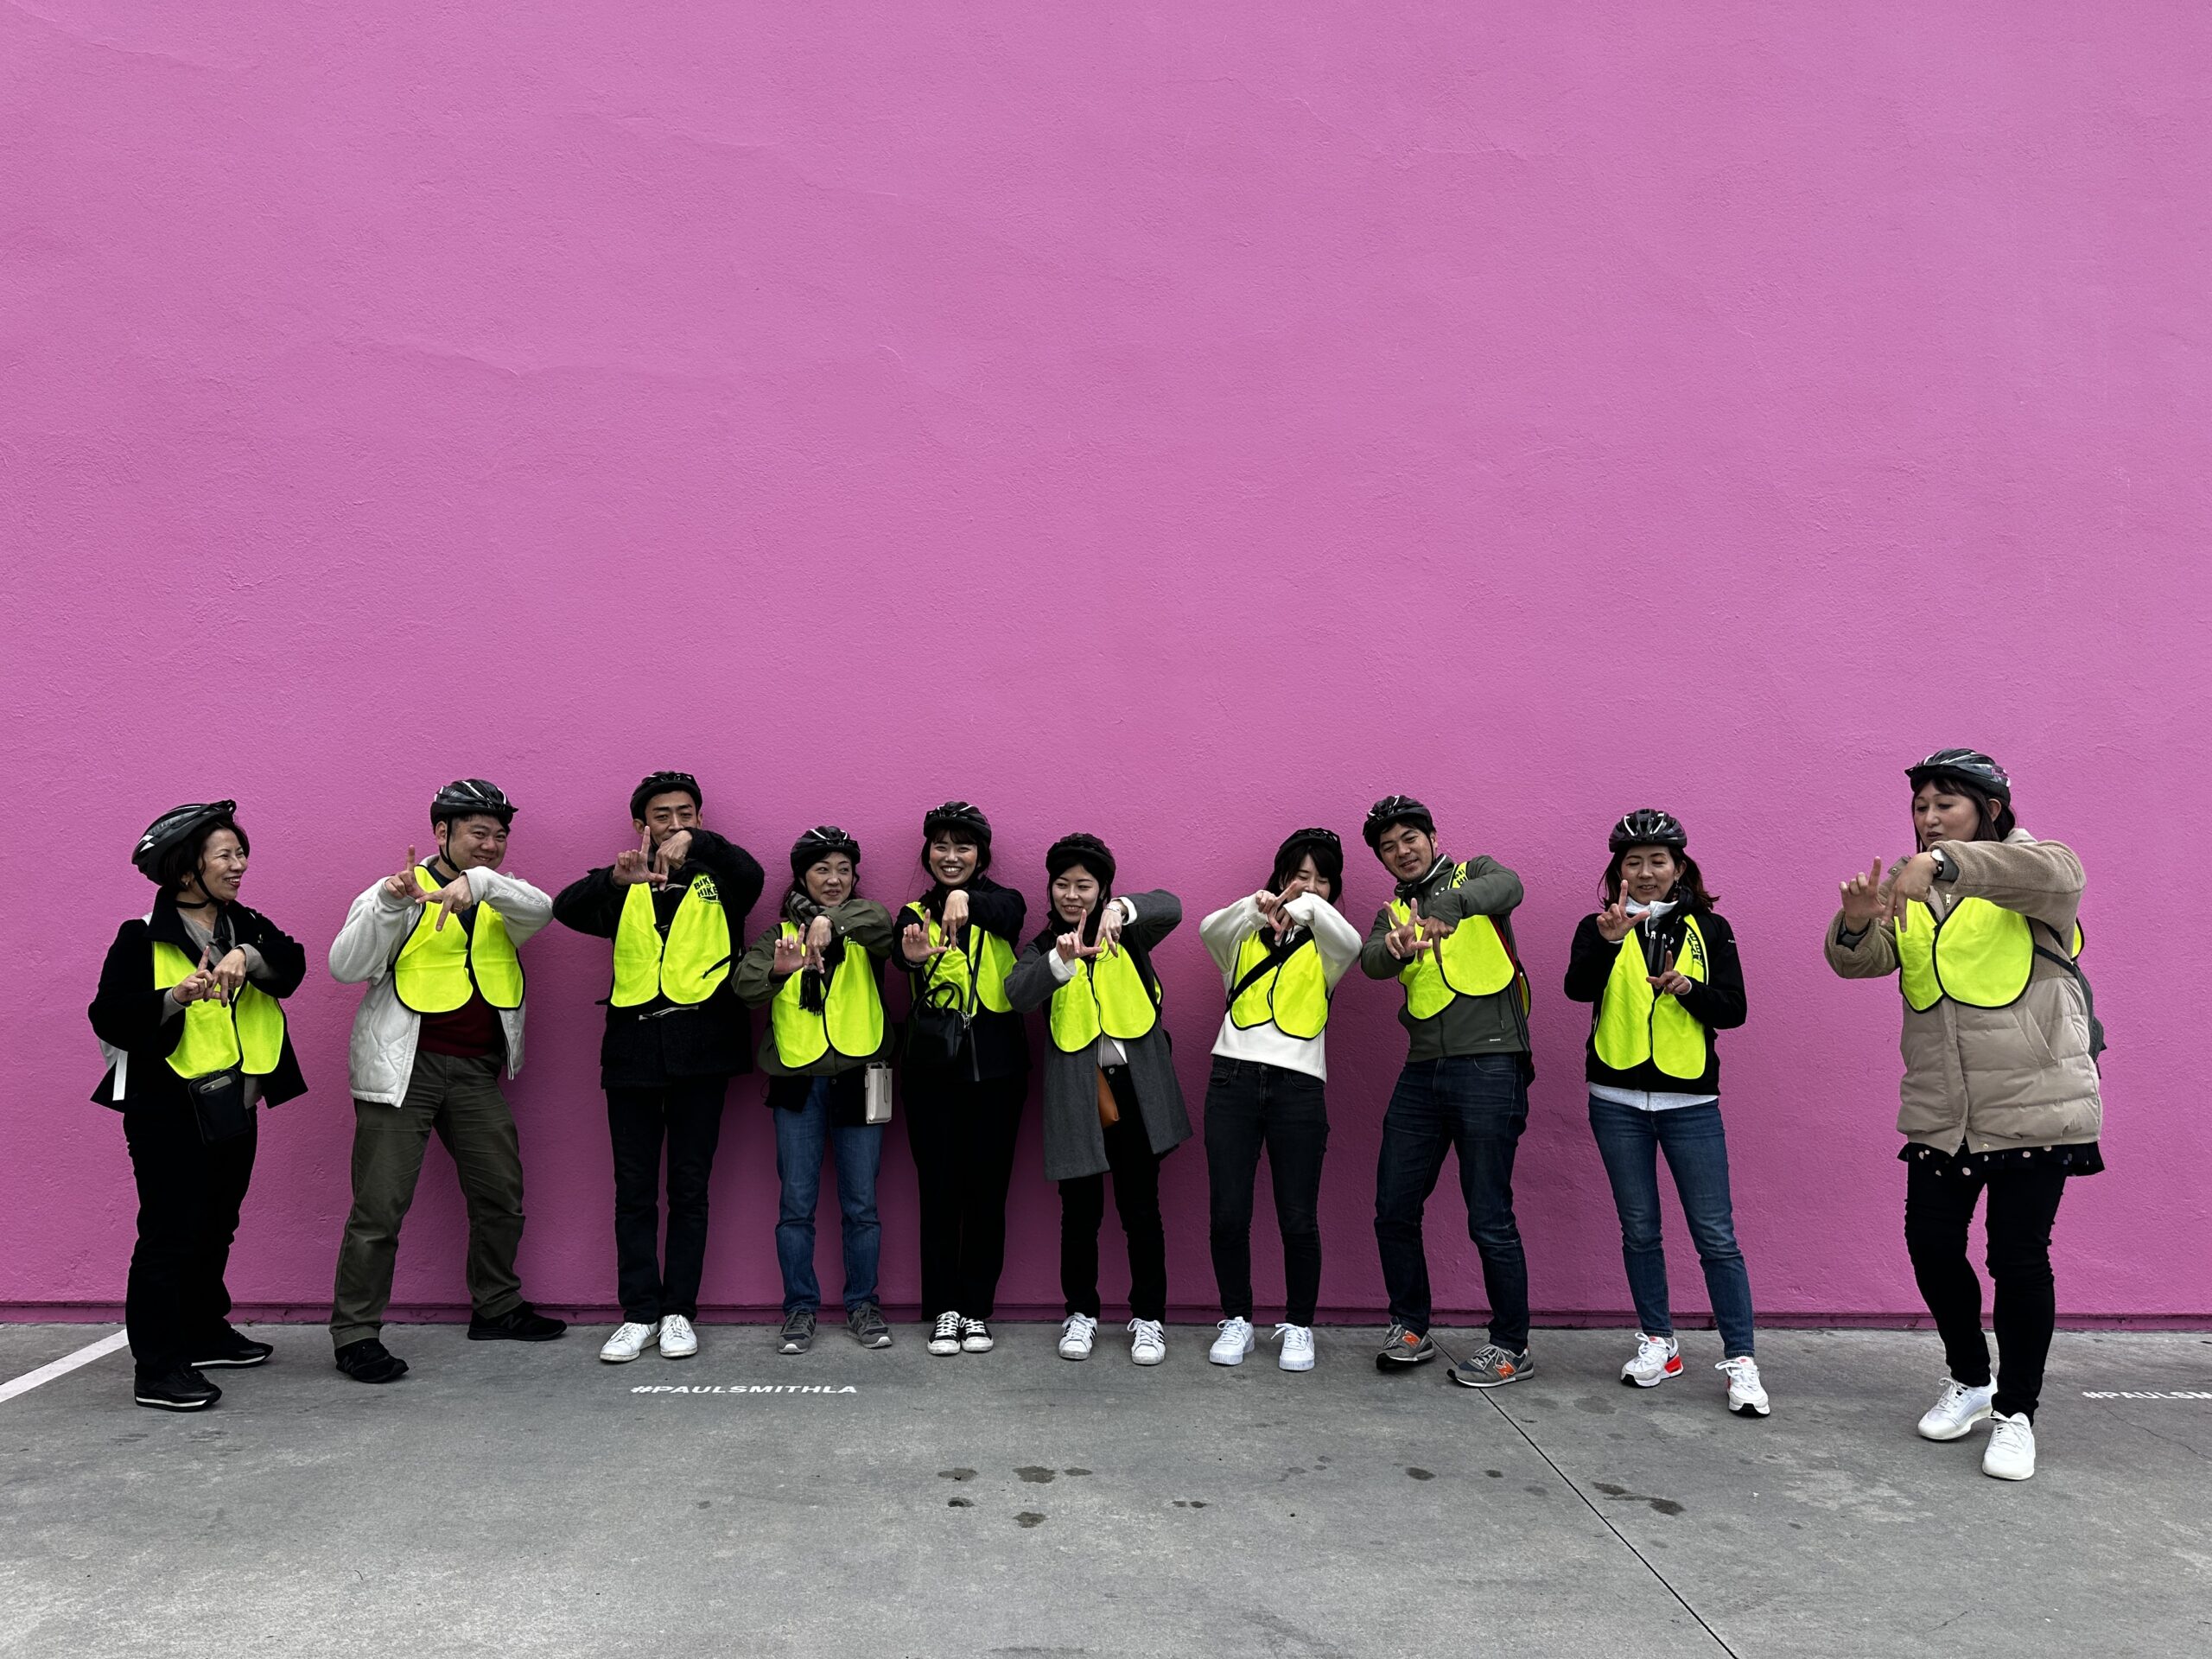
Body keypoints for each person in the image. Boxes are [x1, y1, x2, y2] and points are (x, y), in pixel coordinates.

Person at [1827, 750, 2101, 1482]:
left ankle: (2017, 1413)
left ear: (1989, 807)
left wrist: (1946, 862)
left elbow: (2057, 875)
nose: (1928, 818)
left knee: (2016, 1259)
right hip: (1943, 1109)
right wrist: (1856, 926)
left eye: (1945, 803)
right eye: (1921, 806)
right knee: (1931, 1246)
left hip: (2035, 1107)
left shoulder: (2034, 870)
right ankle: (1971, 1379)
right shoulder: (1913, 890)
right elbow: (1862, 964)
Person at [326, 779, 563, 1383]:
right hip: (405, 1070)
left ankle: (497, 1306)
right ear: (441, 834)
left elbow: (542, 909)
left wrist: (479, 882)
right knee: (379, 1209)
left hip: (476, 1072)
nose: (491, 845)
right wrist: (389, 902)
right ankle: (356, 1334)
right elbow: (345, 965)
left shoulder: (502, 895)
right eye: (477, 834)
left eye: (499, 836)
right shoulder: (394, 892)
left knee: (500, 1194)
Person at [90, 803, 308, 1411]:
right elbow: (108, 1014)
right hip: (168, 1111)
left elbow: (293, 966)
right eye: (226, 855)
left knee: (218, 1223)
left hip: (236, 1104)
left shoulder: (248, 923)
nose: (239, 865)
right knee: (169, 1234)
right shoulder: (140, 936)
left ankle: (204, 1330)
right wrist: (173, 996)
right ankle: (157, 1369)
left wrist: (249, 957)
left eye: (241, 853)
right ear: (187, 869)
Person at [553, 772, 765, 1363]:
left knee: (690, 1188)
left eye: (686, 812)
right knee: (634, 1191)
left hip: (705, 1049)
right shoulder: (623, 881)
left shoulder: (722, 875)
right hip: (633, 1052)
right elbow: (565, 908)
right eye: (662, 815)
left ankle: (678, 1313)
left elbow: (753, 874)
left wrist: (698, 845)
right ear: (640, 824)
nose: (674, 823)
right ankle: (639, 1312)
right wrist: (613, 879)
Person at [1563, 810, 1766, 1417]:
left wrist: (1689, 991)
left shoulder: (1711, 926)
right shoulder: (1597, 926)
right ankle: (1659, 1341)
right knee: (1640, 1229)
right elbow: (1577, 989)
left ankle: (1742, 1360)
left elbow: (1734, 1009)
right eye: (1634, 862)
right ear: (1617, 872)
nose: (1646, 872)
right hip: (1616, 1100)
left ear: (1680, 867)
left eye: (1658, 861)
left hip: (1690, 1103)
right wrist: (1606, 941)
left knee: (1716, 1236)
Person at [1357, 794, 1536, 1388]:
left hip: (1490, 1064)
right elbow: (1370, 962)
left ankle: (1510, 1344)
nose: (1401, 851)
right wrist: (1394, 946)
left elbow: (1508, 888)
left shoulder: (1475, 875)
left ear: (1433, 837)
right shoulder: (1392, 911)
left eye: (1410, 838)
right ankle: (1410, 1326)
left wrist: (1450, 906)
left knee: (1489, 1214)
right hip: (1422, 1070)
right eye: (1388, 847)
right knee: (1393, 1207)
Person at [1006, 834, 1191, 1366]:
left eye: (1083, 885)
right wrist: (1058, 964)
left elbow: (1172, 907)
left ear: (1102, 888)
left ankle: (1149, 1319)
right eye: (1062, 884)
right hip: (1077, 1096)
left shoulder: (1129, 934)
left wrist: (1121, 910)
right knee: (1079, 1213)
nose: (1071, 894)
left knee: (1141, 1210)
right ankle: (1080, 1314)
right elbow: (1015, 994)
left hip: (1134, 1093)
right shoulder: (1042, 946)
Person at [1198, 828, 1362, 1373]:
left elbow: (1354, 944)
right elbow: (1208, 929)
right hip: (1233, 1082)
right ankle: (1237, 1320)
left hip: (1298, 1090)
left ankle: (1299, 1326)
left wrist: (1310, 904)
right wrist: (1254, 906)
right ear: (1277, 879)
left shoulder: (1328, 948)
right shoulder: (1239, 939)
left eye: (1320, 880)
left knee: (1298, 1217)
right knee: (1228, 1213)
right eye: (1298, 877)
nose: (1307, 888)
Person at [734, 827, 898, 1356]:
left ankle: (862, 1305)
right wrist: (782, 971)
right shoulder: (776, 935)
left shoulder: (864, 923)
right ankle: (800, 1309)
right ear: (802, 876)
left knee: (862, 1205)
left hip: (860, 1076)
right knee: (796, 1205)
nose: (833, 879)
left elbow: (882, 924)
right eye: (822, 870)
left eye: (843, 870)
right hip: (797, 1084)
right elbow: (745, 986)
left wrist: (830, 923)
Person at [892, 803, 1029, 1357]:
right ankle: (945, 1310)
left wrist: (965, 900)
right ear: (927, 853)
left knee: (988, 1194)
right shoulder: (909, 912)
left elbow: (1007, 915)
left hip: (998, 1072)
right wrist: (911, 956)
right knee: (939, 1193)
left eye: (963, 847)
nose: (951, 857)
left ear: (982, 855)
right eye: (941, 847)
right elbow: (902, 954)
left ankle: (977, 1310)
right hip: (932, 1074)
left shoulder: (1006, 902)